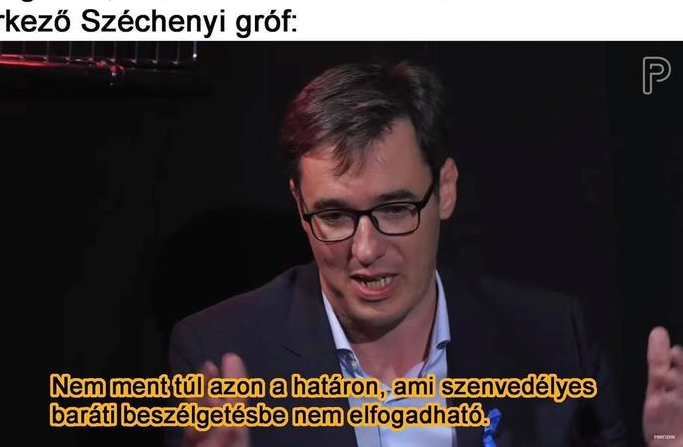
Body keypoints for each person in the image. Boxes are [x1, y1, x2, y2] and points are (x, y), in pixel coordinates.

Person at [167, 63, 683, 447]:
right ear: (300, 206)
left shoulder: (551, 339)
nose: (365, 250)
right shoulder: (220, 351)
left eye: (395, 210)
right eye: (335, 216)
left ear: (446, 190)